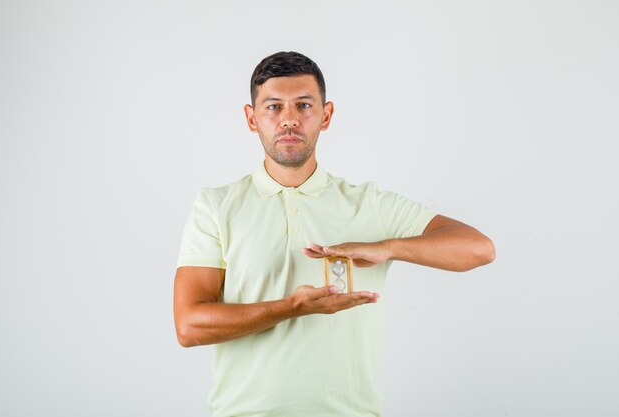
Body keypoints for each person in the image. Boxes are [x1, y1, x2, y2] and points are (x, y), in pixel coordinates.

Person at [173, 51, 495, 417]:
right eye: (274, 107)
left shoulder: (370, 205)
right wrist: (292, 307)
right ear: (251, 118)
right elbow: (189, 325)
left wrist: (386, 248)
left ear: (325, 115)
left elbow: (478, 248)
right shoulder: (215, 206)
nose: (289, 120)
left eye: (304, 105)